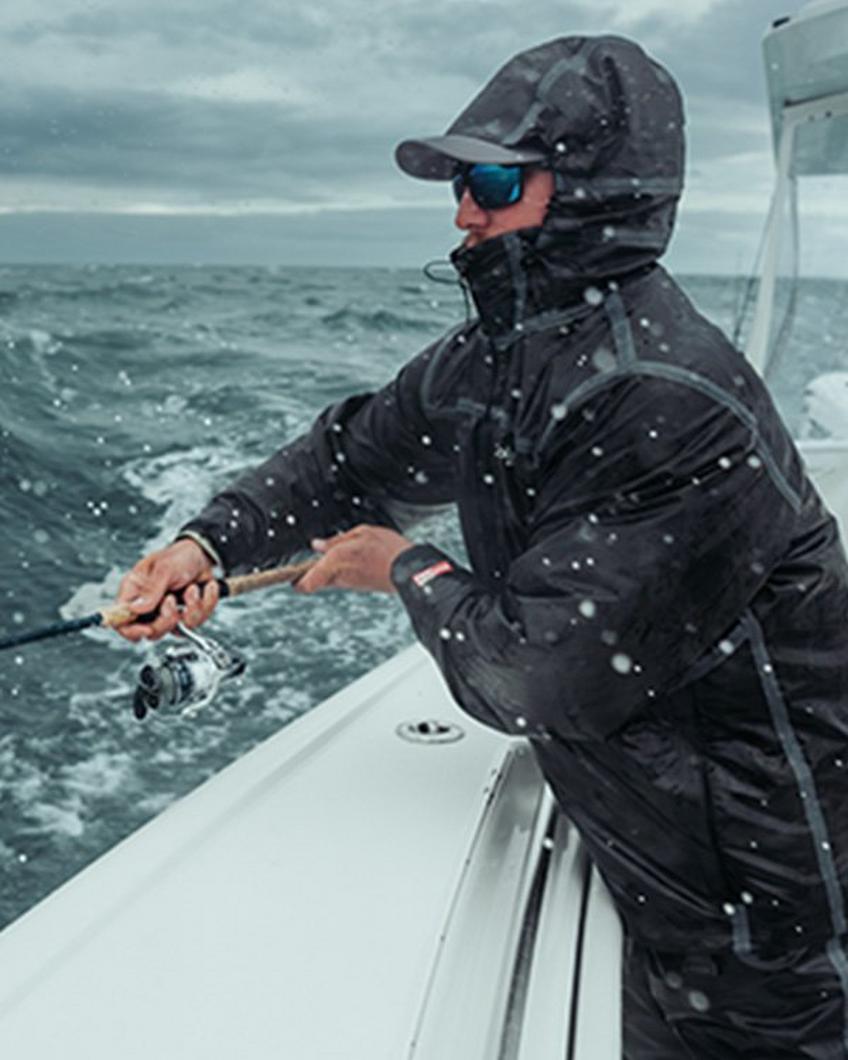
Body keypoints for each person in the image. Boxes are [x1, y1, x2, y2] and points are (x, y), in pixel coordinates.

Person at [117, 34, 848, 1059]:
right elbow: (345, 462)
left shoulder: (665, 397)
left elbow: (537, 675)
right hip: (668, 851)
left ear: (595, 191)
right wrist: (206, 544)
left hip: (772, 899)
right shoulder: (501, 354)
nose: (463, 210)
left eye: (495, 180)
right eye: (463, 180)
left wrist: (401, 569)